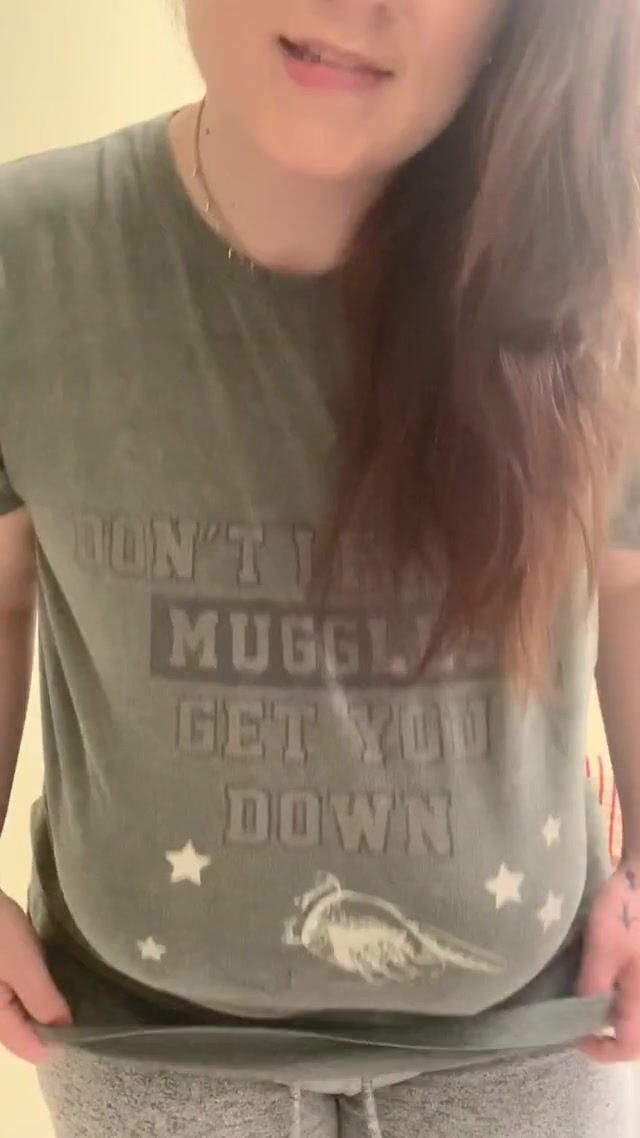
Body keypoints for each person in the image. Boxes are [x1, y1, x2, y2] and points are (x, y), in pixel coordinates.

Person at [0, 0, 639, 1134]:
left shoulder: (604, 265)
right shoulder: (24, 258)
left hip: (533, 1039)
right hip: (144, 1045)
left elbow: (627, 580)